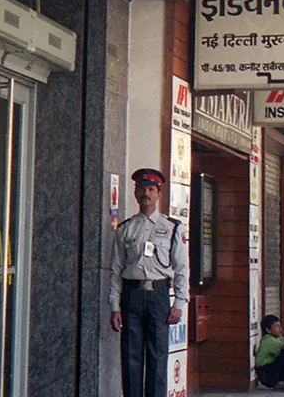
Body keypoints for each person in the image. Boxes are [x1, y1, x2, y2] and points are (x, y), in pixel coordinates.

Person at [109, 168, 189, 397]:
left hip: (158, 296)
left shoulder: (172, 227)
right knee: (131, 357)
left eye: (151, 190)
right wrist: (115, 306)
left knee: (157, 356)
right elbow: (115, 269)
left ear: (159, 195)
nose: (146, 193)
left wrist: (180, 303)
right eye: (142, 189)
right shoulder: (125, 229)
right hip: (131, 295)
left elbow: (182, 268)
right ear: (135, 194)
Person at [255, 314, 284, 391]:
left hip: (270, 371)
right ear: (268, 330)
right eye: (277, 327)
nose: (280, 329)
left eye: (280, 326)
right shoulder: (268, 340)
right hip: (265, 374)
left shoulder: (278, 338)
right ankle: (280, 382)